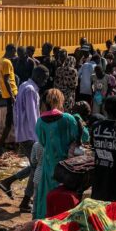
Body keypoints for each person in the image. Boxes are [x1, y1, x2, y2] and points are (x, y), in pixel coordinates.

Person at [0, 66, 49, 212]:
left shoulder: (24, 86)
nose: (46, 81)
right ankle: (25, 201)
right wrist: (40, 136)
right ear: (38, 76)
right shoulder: (31, 91)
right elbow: (33, 116)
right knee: (38, 167)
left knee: (35, 166)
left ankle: (8, 182)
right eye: (45, 78)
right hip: (30, 135)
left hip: (24, 133)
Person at [33, 89, 80, 219]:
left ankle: (44, 224)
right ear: (60, 101)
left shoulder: (40, 122)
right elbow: (82, 136)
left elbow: (42, 142)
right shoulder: (69, 119)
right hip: (67, 168)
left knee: (46, 198)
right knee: (64, 200)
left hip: (48, 167)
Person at [0, 44, 18, 154]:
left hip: (6, 94)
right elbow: (7, 79)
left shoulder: (0, 60)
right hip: (12, 94)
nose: (15, 54)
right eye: (15, 51)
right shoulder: (7, 62)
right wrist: (12, 96)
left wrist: (1, 89)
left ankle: (11, 143)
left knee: (12, 120)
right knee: (10, 121)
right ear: (12, 50)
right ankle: (0, 146)